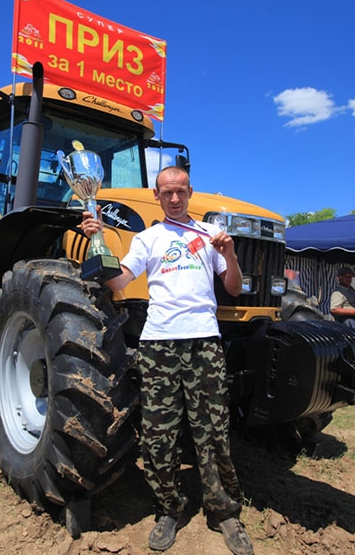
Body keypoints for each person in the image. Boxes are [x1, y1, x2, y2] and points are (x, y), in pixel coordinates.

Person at [81, 166, 254, 555]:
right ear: (157, 196)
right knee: (159, 433)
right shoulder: (147, 239)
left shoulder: (211, 235)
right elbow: (119, 283)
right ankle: (169, 508)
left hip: (204, 342)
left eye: (180, 192)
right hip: (159, 345)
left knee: (212, 429)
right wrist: (99, 242)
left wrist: (229, 254)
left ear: (190, 192)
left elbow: (234, 288)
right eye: (166, 193)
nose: (174, 198)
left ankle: (224, 512)